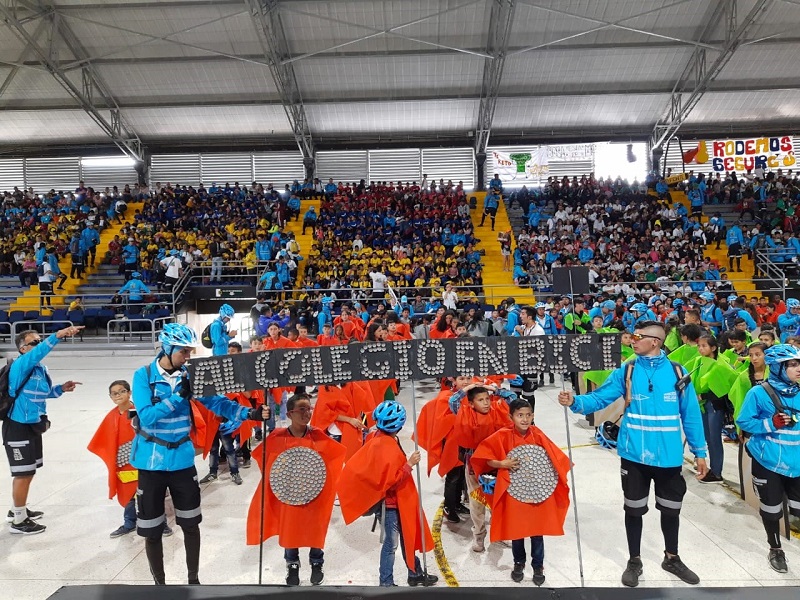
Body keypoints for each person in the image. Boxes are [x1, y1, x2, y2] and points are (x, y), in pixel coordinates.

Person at [558, 320, 709, 588]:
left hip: (669, 458)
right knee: (634, 510)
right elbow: (601, 398)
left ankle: (671, 558)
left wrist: (700, 452)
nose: (632, 340)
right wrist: (576, 402)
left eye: (638, 336)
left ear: (655, 342)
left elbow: (692, 415)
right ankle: (634, 560)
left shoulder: (677, 372)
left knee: (671, 510)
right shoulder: (627, 370)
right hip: (634, 456)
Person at [130, 323, 270, 585]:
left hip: (182, 460)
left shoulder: (190, 374)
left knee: (191, 524)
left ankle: (193, 580)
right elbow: (146, 417)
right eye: (184, 351)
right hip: (150, 461)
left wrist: (247, 413)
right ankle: (160, 585)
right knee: (152, 530)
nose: (188, 356)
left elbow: (217, 401)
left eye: (190, 351)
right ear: (168, 348)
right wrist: (178, 397)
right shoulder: (144, 375)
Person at [246, 393, 346, 586]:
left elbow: (335, 458)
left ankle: (317, 562)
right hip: (289, 494)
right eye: (302, 409)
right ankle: (292, 564)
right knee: (289, 528)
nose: (306, 413)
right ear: (290, 413)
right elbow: (264, 461)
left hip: (313, 493)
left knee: (315, 528)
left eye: (309, 408)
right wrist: (277, 481)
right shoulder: (277, 437)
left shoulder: (318, 436)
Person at [471, 398, 571, 586]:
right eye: (520, 415)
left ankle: (538, 565)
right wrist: (502, 463)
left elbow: (555, 459)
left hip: (536, 491)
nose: (524, 419)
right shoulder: (502, 435)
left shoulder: (538, 435)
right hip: (514, 491)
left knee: (537, 530)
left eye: (528, 415)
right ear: (511, 417)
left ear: (533, 416)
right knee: (517, 529)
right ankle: (519, 563)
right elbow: (485, 457)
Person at [338, 401, 438, 588]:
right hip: (391, 504)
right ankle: (386, 582)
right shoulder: (386, 446)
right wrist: (409, 464)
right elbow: (391, 480)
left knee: (407, 537)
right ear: (399, 426)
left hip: (397, 501)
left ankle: (414, 573)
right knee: (391, 546)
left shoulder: (377, 437)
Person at [3, 325, 83, 534]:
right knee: (23, 474)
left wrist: (60, 389)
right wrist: (57, 336)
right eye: (34, 342)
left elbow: (42, 394)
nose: (39, 345)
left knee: (29, 471)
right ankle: (19, 522)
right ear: (23, 349)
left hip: (32, 425)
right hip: (17, 426)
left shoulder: (39, 369)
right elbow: (42, 350)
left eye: (40, 341)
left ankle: (16, 509)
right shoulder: (21, 365)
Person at [736, 344, 800, 574]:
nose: (798, 368)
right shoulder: (758, 393)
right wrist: (770, 423)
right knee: (772, 510)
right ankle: (775, 549)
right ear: (777, 367)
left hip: (797, 464)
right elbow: (744, 421)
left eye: (798, 363)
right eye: (792, 364)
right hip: (768, 462)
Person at [87, 379, 173, 538]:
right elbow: (104, 439)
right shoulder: (111, 416)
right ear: (110, 397)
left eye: (121, 391)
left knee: (151, 493)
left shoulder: (140, 411)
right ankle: (129, 522)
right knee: (127, 494)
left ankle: (161, 523)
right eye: (114, 393)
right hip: (123, 463)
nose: (118, 395)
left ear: (129, 393)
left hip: (143, 460)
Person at [450, 382, 513, 553]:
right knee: (477, 503)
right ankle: (479, 536)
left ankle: (500, 534)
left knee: (498, 500)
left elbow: (513, 399)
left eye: (487, 399)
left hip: (497, 464)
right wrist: (467, 389)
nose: (486, 403)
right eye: (480, 400)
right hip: (474, 466)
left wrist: (497, 391)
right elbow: (453, 402)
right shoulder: (465, 414)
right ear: (471, 403)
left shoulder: (498, 412)